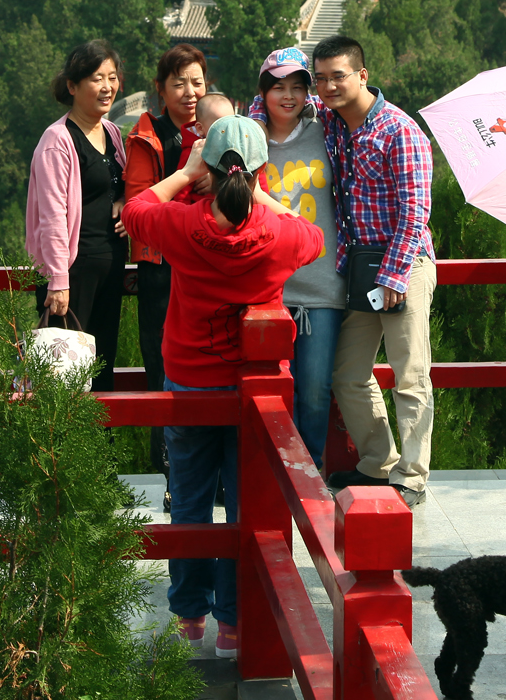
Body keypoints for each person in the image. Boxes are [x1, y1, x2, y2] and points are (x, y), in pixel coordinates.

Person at [124, 115, 322, 661]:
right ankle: (236, 625)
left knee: (187, 503)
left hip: (189, 381)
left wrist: (184, 174)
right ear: (260, 170)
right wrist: (262, 195)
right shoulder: (280, 235)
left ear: (207, 169)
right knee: (244, 510)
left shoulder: (184, 225)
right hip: (255, 394)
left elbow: (135, 211)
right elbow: (315, 237)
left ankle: (189, 617)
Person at [313, 35, 437, 508]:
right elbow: (283, 99)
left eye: (338, 76)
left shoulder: (398, 131)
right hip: (359, 264)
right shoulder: (332, 123)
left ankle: (413, 474)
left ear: (363, 75)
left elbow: (415, 211)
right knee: (347, 372)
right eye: (321, 78)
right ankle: (377, 462)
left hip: (403, 264)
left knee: (410, 374)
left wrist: (393, 276)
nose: (328, 86)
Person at [253, 47, 346, 464]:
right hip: (266, 288)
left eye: (297, 87)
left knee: (313, 390)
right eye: (278, 87)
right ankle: (266, 477)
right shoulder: (249, 140)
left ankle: (307, 477)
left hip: (322, 284)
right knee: (264, 393)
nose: (288, 96)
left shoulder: (326, 130)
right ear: (263, 92)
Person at [124, 44, 209, 487]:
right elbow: (139, 202)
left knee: (205, 366)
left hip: (203, 266)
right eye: (179, 83)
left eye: (197, 82)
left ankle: (206, 471)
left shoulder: (215, 130)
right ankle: (172, 471)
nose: (189, 92)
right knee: (161, 367)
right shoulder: (147, 135)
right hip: (160, 267)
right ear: (160, 89)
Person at [24, 40, 128, 392]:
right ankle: (61, 448)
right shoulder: (58, 140)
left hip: (111, 266)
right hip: (73, 273)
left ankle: (101, 446)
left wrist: (125, 201)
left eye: (112, 77)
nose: (107, 87)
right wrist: (58, 279)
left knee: (102, 369)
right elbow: (52, 215)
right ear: (72, 86)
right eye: (97, 78)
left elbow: (121, 185)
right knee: (64, 379)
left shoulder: (112, 134)